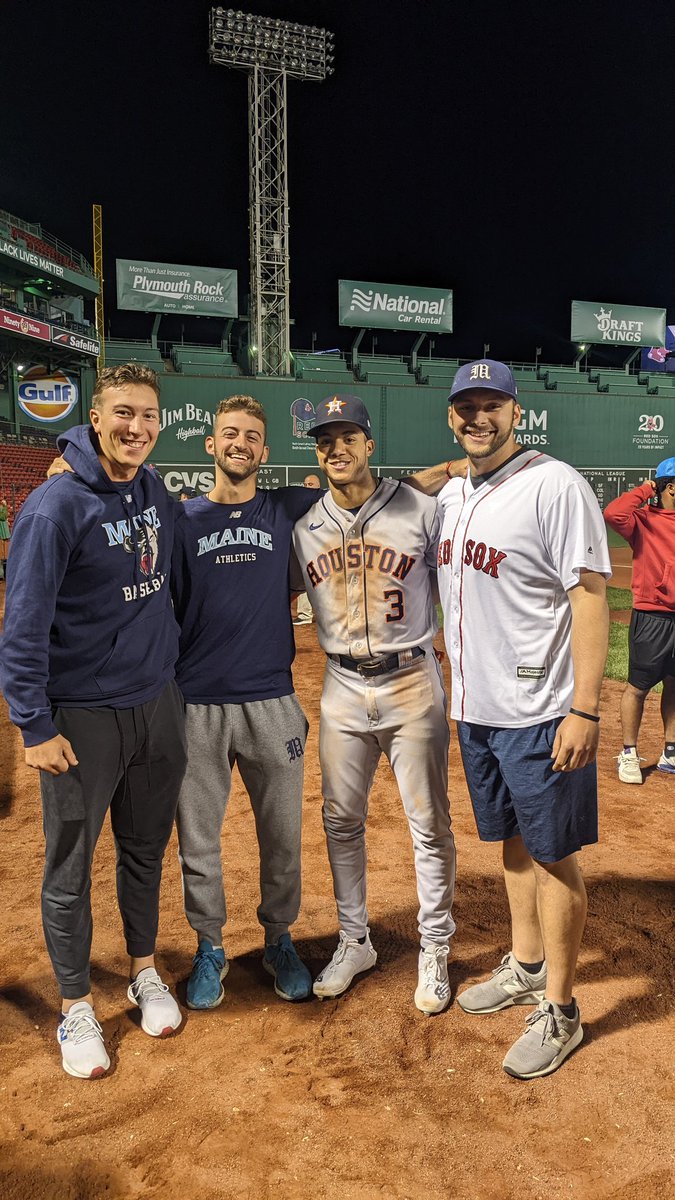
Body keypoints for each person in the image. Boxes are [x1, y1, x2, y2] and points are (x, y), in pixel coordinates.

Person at [410, 358, 611, 1077]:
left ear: (515, 412)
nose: (478, 416)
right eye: (466, 405)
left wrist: (584, 708)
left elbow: (589, 596)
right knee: (512, 844)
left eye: (492, 404)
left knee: (553, 855)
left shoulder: (553, 485)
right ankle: (526, 963)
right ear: (451, 416)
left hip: (540, 710)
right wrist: (435, 475)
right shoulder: (454, 493)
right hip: (475, 709)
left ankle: (560, 1008)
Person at [0, 363, 187, 1080]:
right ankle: (76, 1004)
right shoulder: (54, 507)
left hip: (155, 704)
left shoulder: (153, 490)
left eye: (146, 415)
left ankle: (143, 969)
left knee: (144, 850)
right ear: (96, 418)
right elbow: (21, 628)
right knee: (69, 867)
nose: (134, 427)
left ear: (159, 423)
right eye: (121, 414)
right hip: (80, 717)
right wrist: (34, 725)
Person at [292, 394, 456, 1015]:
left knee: (428, 824)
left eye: (348, 437)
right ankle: (354, 939)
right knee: (340, 819)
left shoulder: (421, 508)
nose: (337, 448)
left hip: (411, 679)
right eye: (325, 440)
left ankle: (434, 946)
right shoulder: (304, 529)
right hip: (340, 687)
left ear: (369, 445)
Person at [171, 396, 322, 1008]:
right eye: (228, 432)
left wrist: (445, 474)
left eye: (252, 436)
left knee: (282, 835)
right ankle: (210, 945)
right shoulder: (181, 520)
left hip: (271, 701)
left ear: (265, 450)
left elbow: (363, 491)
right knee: (198, 839)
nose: (240, 443)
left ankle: (279, 938)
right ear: (211, 445)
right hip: (196, 704)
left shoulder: (285, 507)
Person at [604, 459, 675, 782]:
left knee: (674, 685)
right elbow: (613, 514)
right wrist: (648, 488)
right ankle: (629, 753)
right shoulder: (643, 522)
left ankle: (670, 752)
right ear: (671, 487)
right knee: (638, 686)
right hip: (652, 616)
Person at [293, 473, 322, 625]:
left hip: (324, 549)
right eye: (305, 485)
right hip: (306, 548)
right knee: (304, 578)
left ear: (318, 486)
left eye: (310, 485)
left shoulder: (325, 501)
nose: (307, 487)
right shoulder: (299, 503)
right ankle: (305, 615)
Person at [0, 495, 9, 578]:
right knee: (2, 558)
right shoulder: (2, 508)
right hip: (2, 535)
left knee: (4, 557)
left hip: (4, 535)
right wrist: (5, 506)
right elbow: (3, 517)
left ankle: (4, 575)